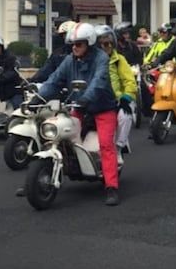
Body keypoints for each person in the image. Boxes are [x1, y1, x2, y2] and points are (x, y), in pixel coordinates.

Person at [38, 22, 121, 205]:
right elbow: (54, 80)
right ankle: (40, 178)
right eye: (72, 44)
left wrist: (86, 99)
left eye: (79, 44)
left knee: (106, 144)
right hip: (78, 106)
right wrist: (38, 97)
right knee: (56, 134)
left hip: (102, 107)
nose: (74, 48)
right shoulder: (70, 60)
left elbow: (99, 82)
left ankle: (111, 187)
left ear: (89, 44)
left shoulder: (101, 58)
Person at [95, 25, 137, 154]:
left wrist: (126, 97)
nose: (107, 46)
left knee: (125, 115)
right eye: (103, 44)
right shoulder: (91, 61)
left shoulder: (119, 60)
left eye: (109, 43)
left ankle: (118, 148)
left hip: (116, 100)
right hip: (94, 99)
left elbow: (130, 81)